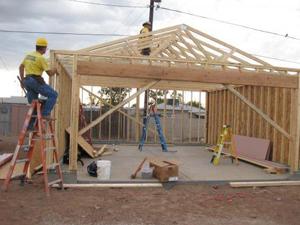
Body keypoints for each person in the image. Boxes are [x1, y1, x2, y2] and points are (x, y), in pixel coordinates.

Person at [19, 37, 58, 125]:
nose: (46, 50)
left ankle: (29, 126)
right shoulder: (41, 58)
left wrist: (22, 81)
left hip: (27, 81)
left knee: (35, 104)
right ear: (43, 48)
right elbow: (50, 73)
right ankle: (45, 114)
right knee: (53, 95)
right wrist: (55, 70)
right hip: (35, 81)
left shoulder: (29, 55)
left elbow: (21, 67)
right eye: (46, 48)